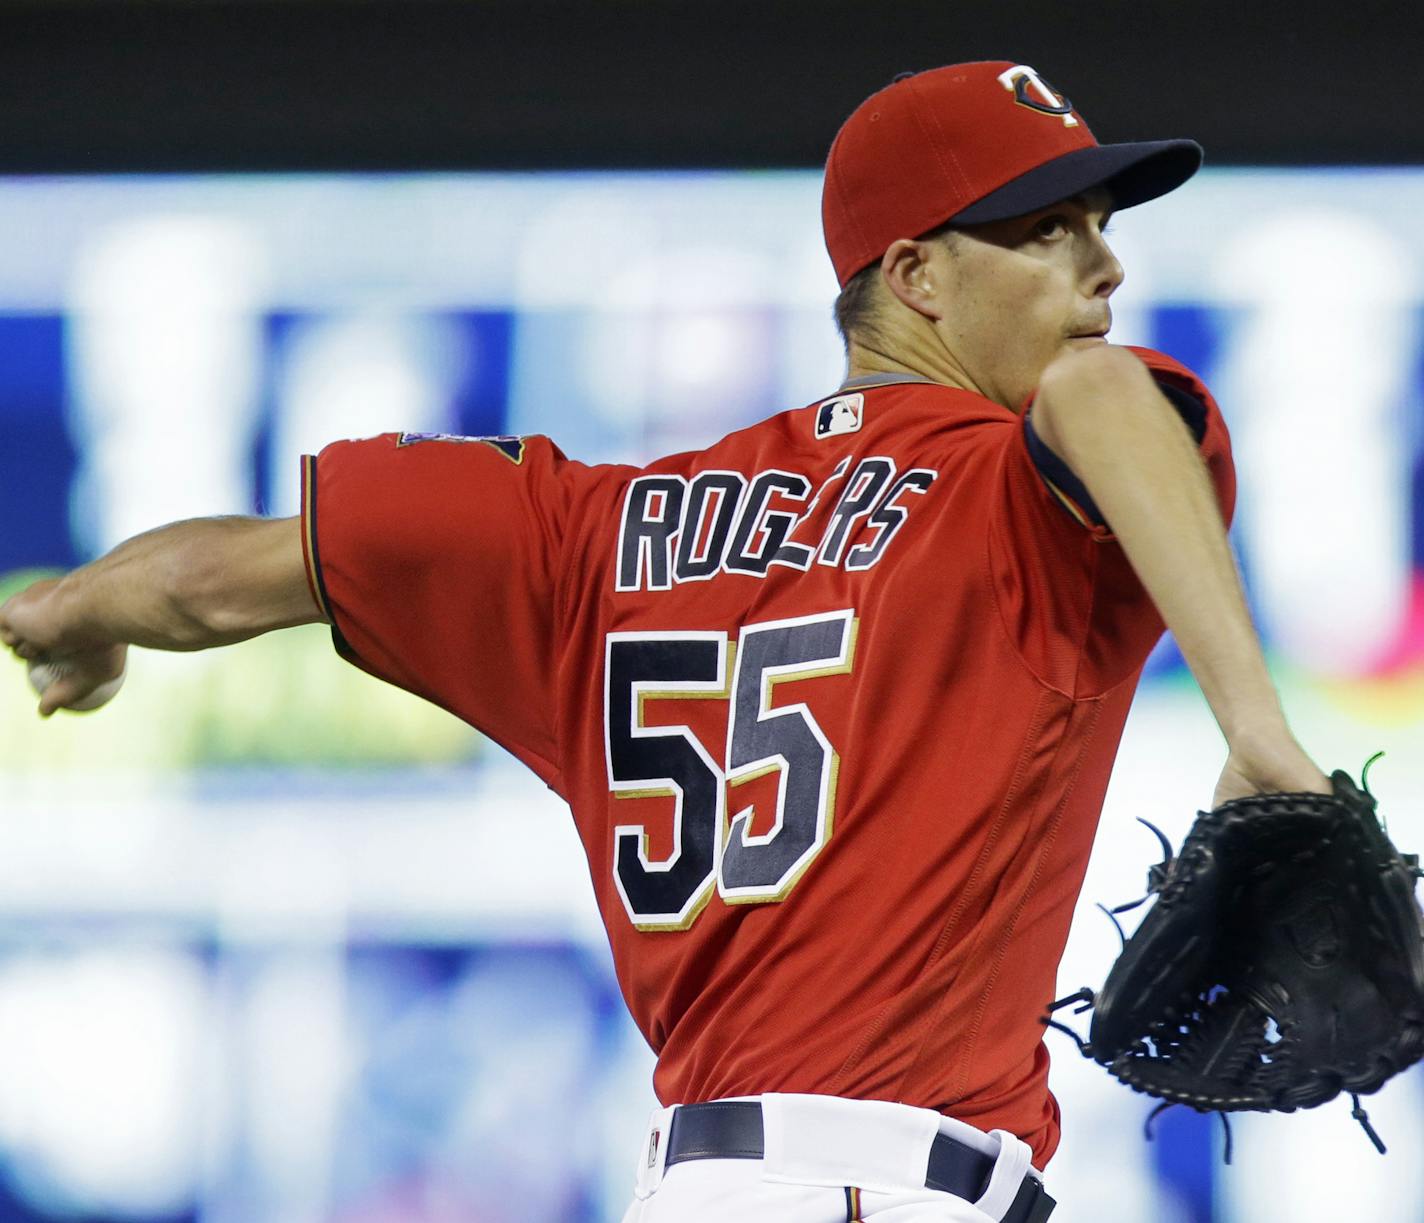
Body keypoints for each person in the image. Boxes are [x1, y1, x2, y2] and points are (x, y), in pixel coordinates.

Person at [1, 61, 1331, 1223]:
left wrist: (73, 615)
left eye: (1099, 229)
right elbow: (1104, 391)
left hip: (701, 1184)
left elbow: (224, 574)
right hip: (879, 1189)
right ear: (914, 276)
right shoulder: (1014, 501)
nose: (1103, 268)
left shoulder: (587, 532)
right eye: (1044, 233)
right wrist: (1258, 733)